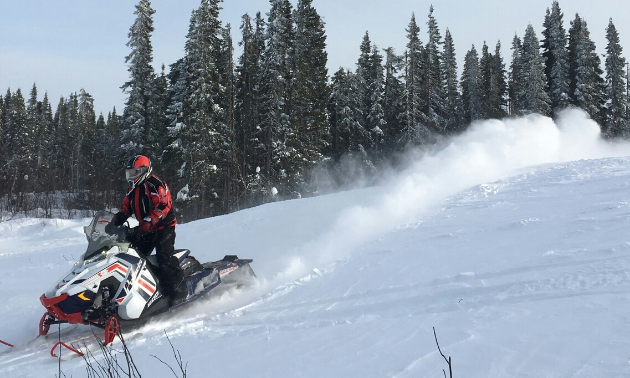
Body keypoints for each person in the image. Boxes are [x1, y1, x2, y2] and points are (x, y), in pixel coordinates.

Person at [106, 155, 188, 305]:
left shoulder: (156, 184)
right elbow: (126, 208)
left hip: (164, 227)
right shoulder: (132, 189)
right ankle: (139, 290)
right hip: (146, 228)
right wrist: (114, 222)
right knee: (130, 255)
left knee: (164, 257)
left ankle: (180, 291)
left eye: (134, 172)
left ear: (144, 171)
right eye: (129, 173)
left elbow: (164, 206)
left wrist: (150, 221)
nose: (131, 177)